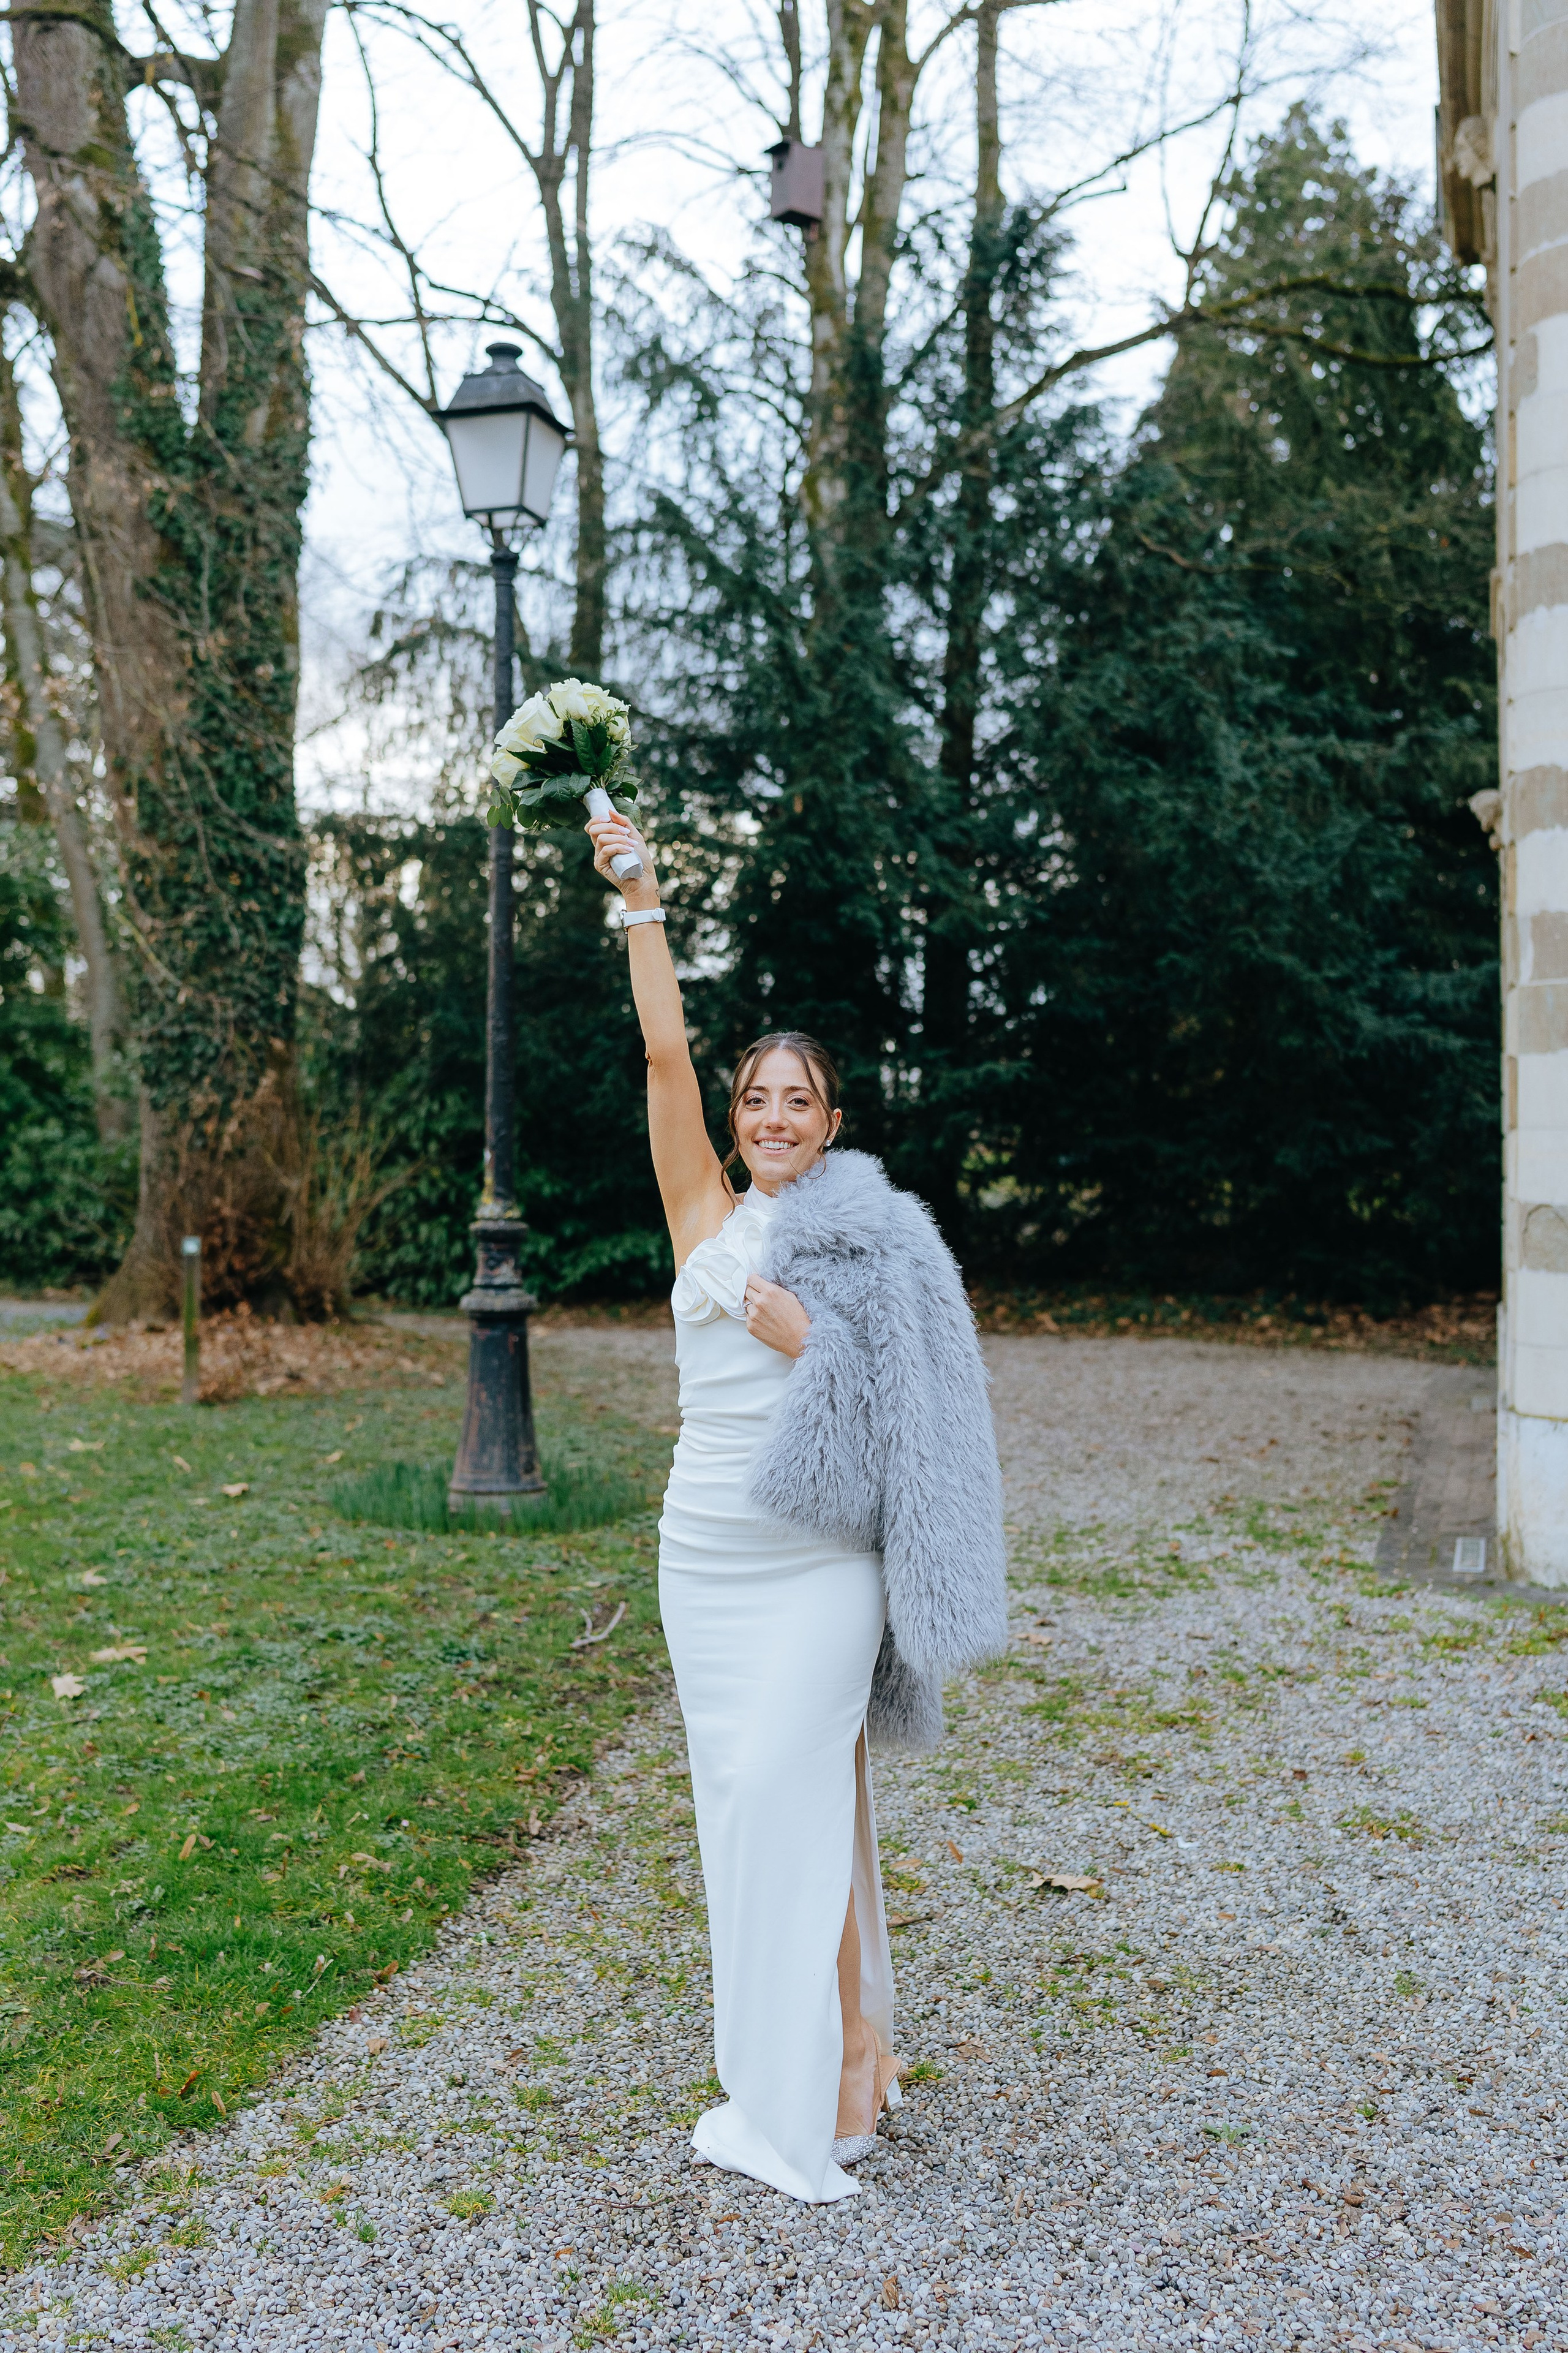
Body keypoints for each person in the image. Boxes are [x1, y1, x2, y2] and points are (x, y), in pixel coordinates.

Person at [587, 801, 1006, 2205]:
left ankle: (840, 2054)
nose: (770, 1116)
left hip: (821, 1563)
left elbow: (930, 1411)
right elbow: (659, 1048)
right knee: (746, 1806)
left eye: (795, 1102)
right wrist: (641, 895)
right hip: (702, 1555)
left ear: (831, 1126)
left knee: (794, 1789)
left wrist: (807, 1343)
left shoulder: (875, 1243)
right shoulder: (701, 1216)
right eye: (754, 1097)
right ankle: (834, 2058)